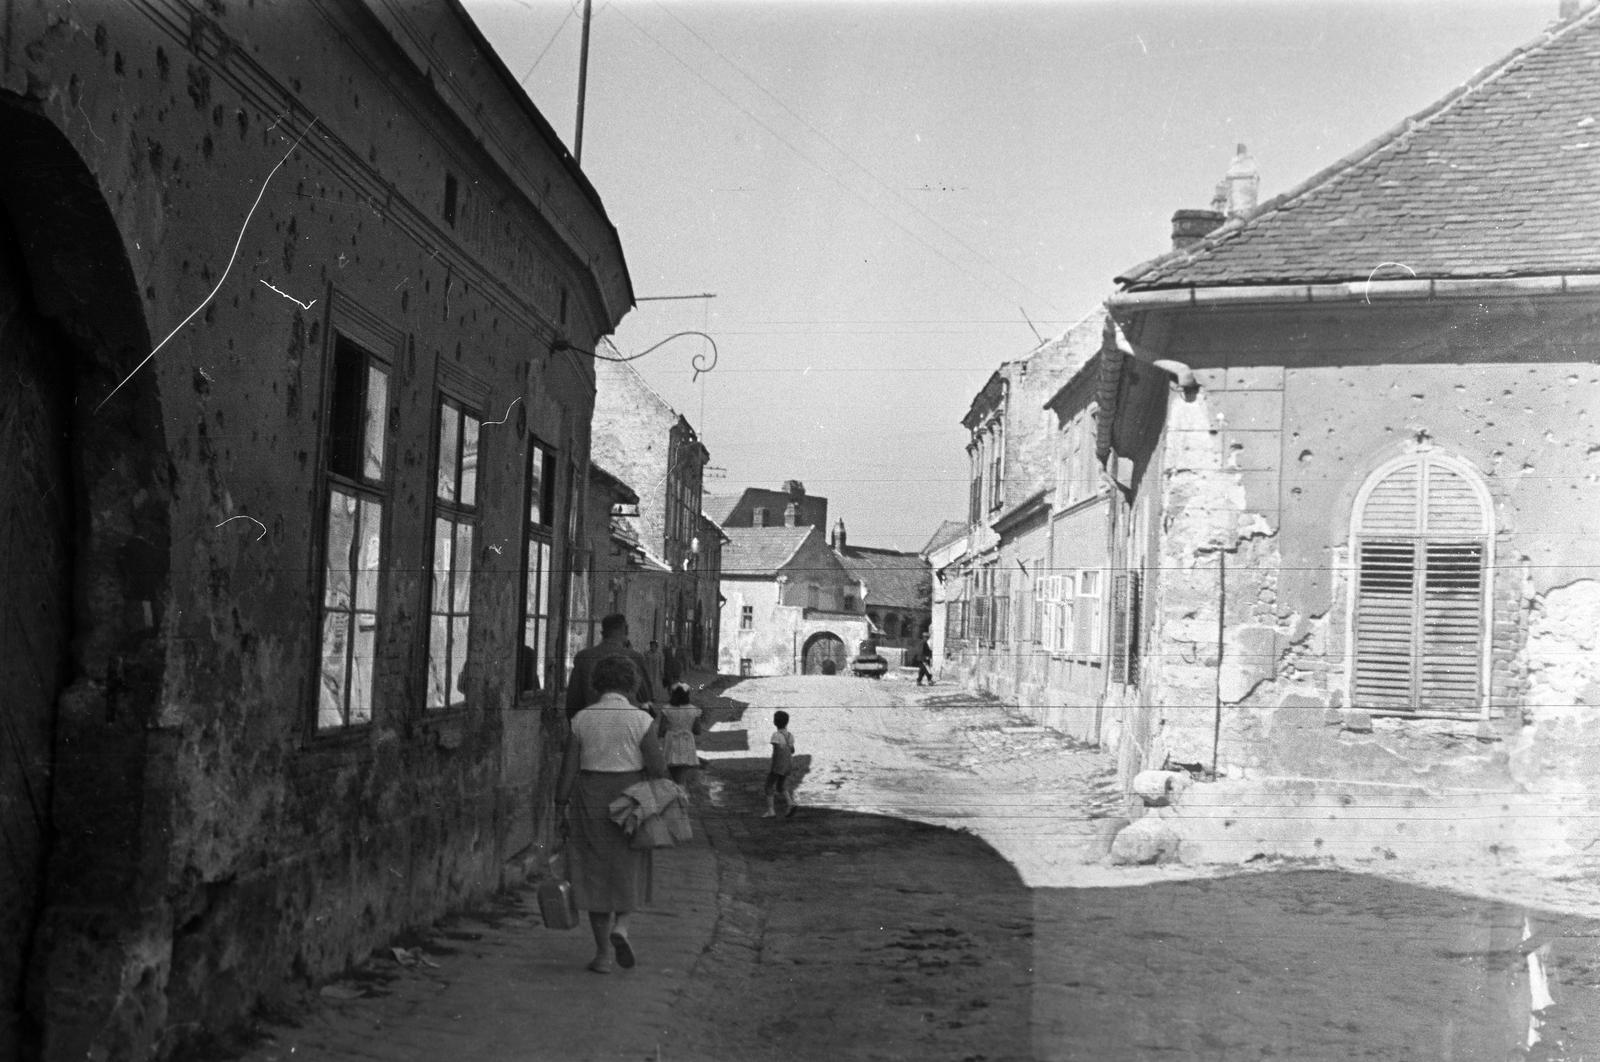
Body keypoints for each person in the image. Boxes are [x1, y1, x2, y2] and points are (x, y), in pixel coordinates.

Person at [556, 656, 668, 974]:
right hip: (630, 798)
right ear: (631, 684)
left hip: (589, 797)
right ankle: (623, 926)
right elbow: (659, 768)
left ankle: (603, 954)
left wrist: (559, 805)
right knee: (629, 865)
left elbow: (568, 770)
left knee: (593, 871)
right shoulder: (641, 721)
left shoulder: (581, 720)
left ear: (598, 684)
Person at [566, 614, 658, 720]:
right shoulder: (634, 657)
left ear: (603, 633)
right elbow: (646, 698)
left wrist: (579, 728)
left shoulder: (583, 657)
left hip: (591, 724)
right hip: (627, 725)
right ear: (626, 631)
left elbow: (573, 702)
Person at [658, 683, 704, 789]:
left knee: (672, 771)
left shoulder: (667, 709)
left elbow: (661, 731)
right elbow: (697, 730)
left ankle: (675, 793)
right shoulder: (693, 710)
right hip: (686, 742)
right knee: (682, 772)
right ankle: (681, 792)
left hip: (671, 743)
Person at [762, 710, 797, 819]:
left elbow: (777, 750)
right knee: (780, 786)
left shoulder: (776, 736)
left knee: (768, 785)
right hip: (788, 764)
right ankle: (790, 803)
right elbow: (792, 750)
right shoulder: (790, 736)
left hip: (778, 765)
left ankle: (771, 810)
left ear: (774, 722)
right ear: (787, 722)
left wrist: (774, 766)